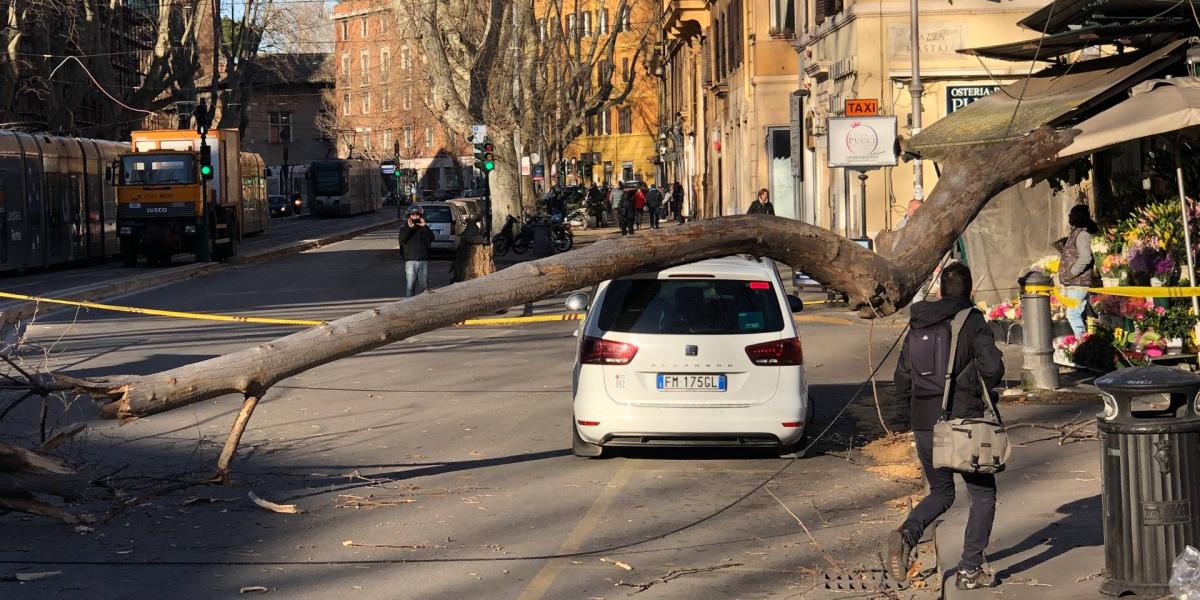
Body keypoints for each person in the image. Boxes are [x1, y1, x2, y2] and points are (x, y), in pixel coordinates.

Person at [889, 262, 1004, 591]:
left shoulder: (917, 323)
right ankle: (969, 570)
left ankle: (907, 535)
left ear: (940, 289)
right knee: (983, 494)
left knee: (941, 492)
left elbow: (902, 380)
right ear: (969, 291)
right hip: (964, 423)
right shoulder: (972, 321)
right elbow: (992, 368)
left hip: (925, 424)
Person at [1059, 205, 1100, 337]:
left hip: (1078, 283)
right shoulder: (1076, 233)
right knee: (1081, 314)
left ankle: (1083, 342)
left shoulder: (1082, 235)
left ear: (1078, 217)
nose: (1069, 217)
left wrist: (1071, 272)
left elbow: (1085, 258)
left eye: (1072, 214)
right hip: (1075, 283)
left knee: (1073, 314)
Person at [399, 205, 435, 297]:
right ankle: (409, 305)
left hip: (423, 259)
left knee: (424, 287)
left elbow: (431, 238)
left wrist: (424, 226)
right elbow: (402, 240)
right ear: (409, 216)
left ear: (421, 216)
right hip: (411, 260)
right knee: (410, 287)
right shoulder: (405, 227)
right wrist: (410, 229)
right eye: (413, 215)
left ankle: (423, 306)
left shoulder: (423, 228)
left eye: (417, 215)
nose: (415, 217)